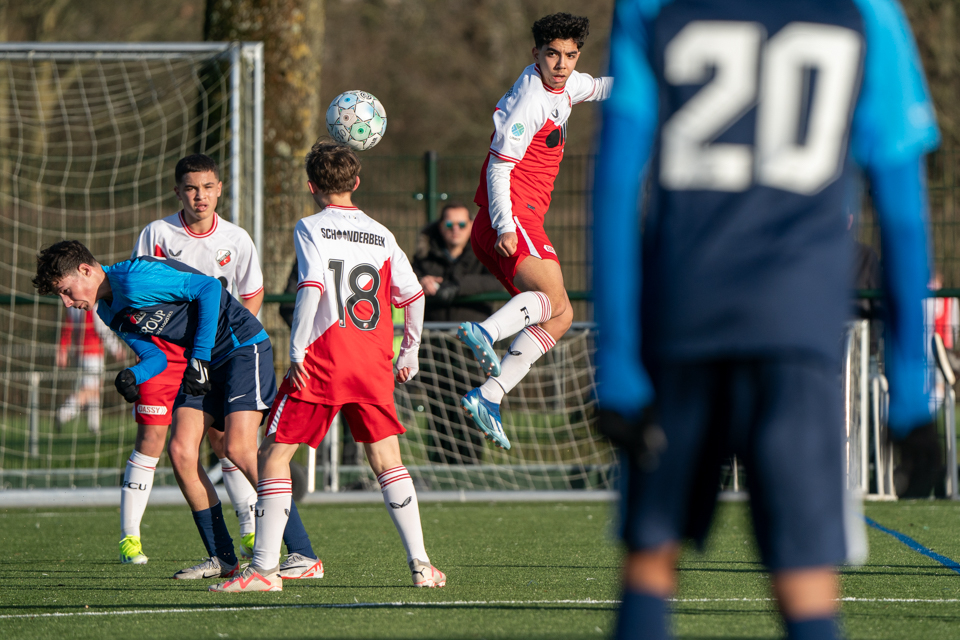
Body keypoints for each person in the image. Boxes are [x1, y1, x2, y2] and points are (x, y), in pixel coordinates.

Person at [592, 1, 939, 639]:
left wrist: (616, 365)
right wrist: (911, 390)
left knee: (651, 559)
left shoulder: (654, 6)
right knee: (805, 578)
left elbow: (616, 184)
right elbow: (903, 209)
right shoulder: (868, 13)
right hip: (796, 324)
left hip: (683, 318)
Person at [210, 141, 444, 592]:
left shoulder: (311, 226)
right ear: (356, 183)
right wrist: (409, 351)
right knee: (387, 460)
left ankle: (263, 570)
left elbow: (312, 286)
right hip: (373, 361)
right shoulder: (381, 233)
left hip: (324, 357)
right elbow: (413, 296)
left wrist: (297, 350)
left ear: (311, 186)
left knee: (273, 455)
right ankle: (422, 565)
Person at [32, 241, 320, 581]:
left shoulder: (133, 279)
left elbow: (209, 288)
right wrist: (132, 376)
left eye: (66, 291)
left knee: (237, 449)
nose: (67, 302)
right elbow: (156, 357)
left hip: (242, 347)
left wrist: (198, 356)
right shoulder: (107, 311)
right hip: (204, 362)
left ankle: (303, 554)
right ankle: (223, 558)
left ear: (85, 270)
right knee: (181, 452)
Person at [457, 12, 612, 450]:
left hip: (524, 217)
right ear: (536, 55)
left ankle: (490, 394)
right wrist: (506, 224)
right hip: (510, 215)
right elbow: (500, 165)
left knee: (561, 314)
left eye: (569, 55)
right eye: (552, 55)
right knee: (553, 299)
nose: (561, 64)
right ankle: (486, 332)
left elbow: (598, 87)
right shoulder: (531, 99)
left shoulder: (568, 83)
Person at [117, 154, 266, 567]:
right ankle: (131, 538)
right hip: (166, 354)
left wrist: (233, 343)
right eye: (190, 188)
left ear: (219, 189)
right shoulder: (157, 233)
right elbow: (134, 285)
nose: (199, 196)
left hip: (217, 354)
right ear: (177, 191)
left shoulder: (236, 239)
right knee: (158, 441)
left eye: (207, 187)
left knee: (226, 441)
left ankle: (251, 530)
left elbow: (252, 293)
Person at [413, 203, 502, 463]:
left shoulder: (483, 254)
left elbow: (495, 278)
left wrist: (456, 287)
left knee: (472, 405)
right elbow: (407, 278)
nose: (455, 230)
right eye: (449, 224)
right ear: (441, 227)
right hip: (435, 343)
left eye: (462, 224)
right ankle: (440, 465)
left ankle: (471, 464)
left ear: (471, 226)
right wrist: (421, 282)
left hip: (472, 346)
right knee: (438, 405)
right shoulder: (424, 257)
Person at [55, 306, 124, 434]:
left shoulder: (73, 306)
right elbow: (103, 331)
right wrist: (117, 349)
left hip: (79, 354)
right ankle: (63, 413)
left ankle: (94, 426)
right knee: (89, 391)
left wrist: (63, 349)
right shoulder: (94, 306)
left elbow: (67, 328)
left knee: (94, 390)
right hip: (93, 354)